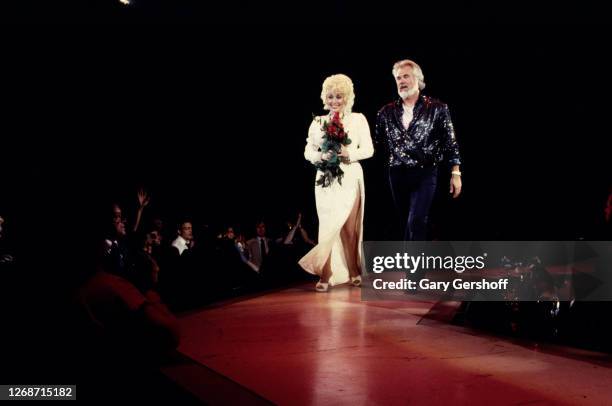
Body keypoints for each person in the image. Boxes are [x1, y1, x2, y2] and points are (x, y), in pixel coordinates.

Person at [299, 74, 374, 292]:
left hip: (350, 176)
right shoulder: (318, 122)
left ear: (347, 97)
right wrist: (319, 157)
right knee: (328, 226)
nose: (334, 101)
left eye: (338, 96)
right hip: (325, 179)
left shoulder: (358, 119)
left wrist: (348, 153)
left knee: (349, 229)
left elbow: (369, 150)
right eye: (330, 97)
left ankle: (354, 270)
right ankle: (326, 274)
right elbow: (308, 150)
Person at [375, 59, 462, 241]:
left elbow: (450, 142)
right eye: (398, 78)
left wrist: (456, 173)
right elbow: (378, 144)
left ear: (418, 79)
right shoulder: (385, 112)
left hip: (426, 172)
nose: (401, 81)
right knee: (407, 222)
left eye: (406, 76)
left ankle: (415, 269)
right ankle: (413, 265)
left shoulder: (438, 108)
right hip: (397, 174)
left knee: (416, 220)